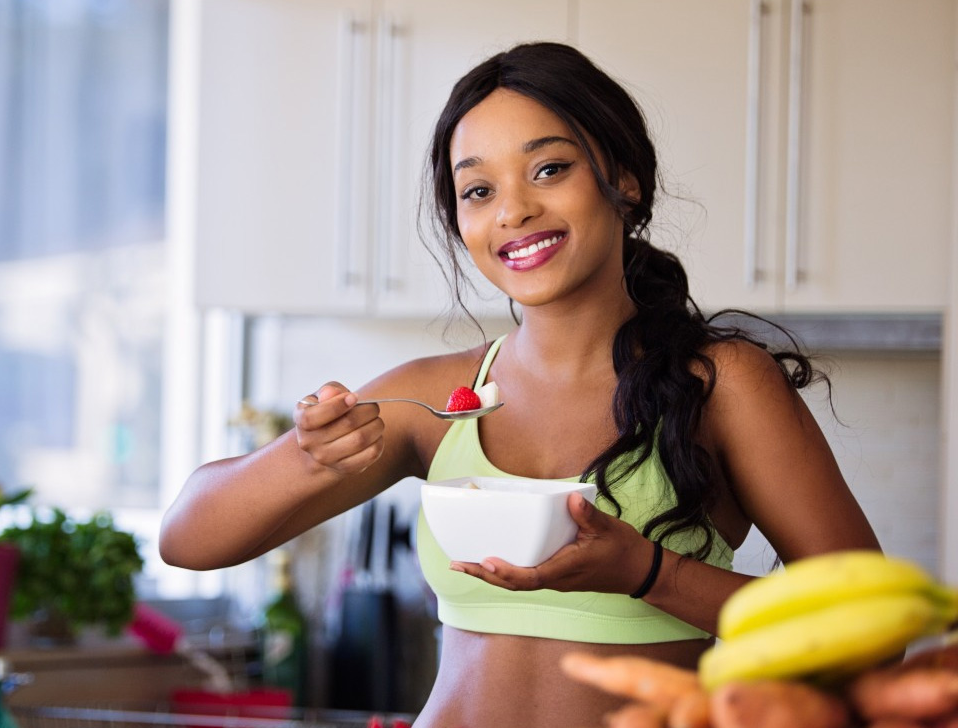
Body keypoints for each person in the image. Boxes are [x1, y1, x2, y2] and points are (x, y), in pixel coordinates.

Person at [158, 42, 879, 727]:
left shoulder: (720, 384)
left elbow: (866, 636)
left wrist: (647, 571)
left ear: (623, 178)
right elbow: (189, 539)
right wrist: (305, 458)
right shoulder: (440, 397)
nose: (513, 211)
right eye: (478, 189)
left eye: (549, 169)